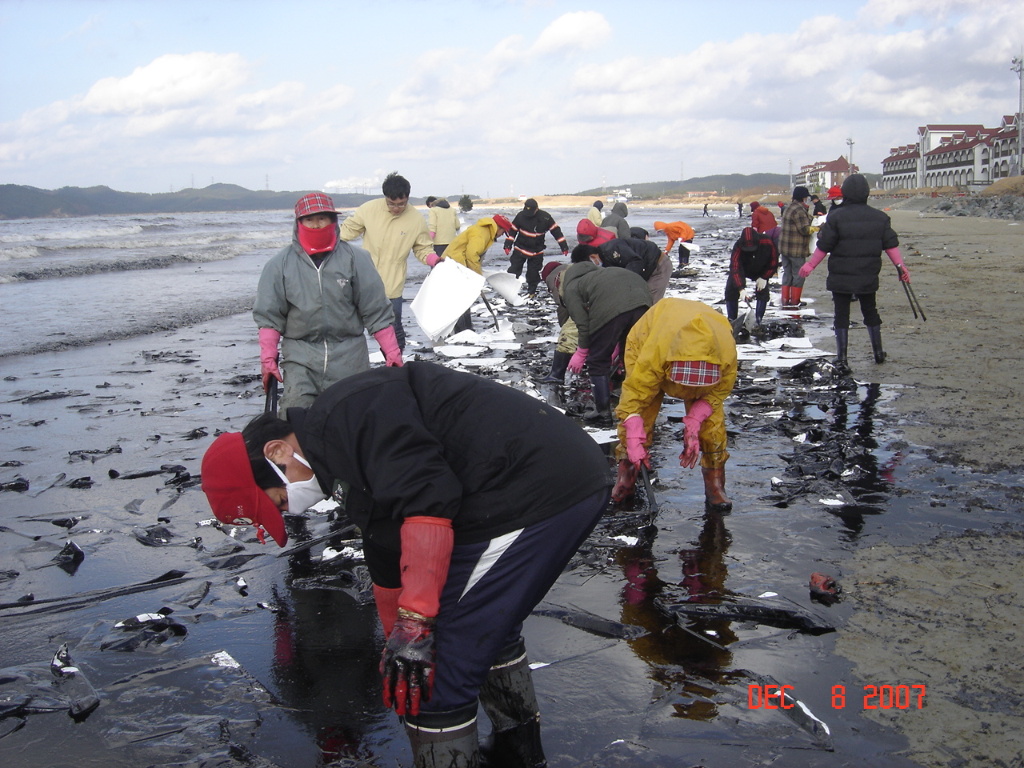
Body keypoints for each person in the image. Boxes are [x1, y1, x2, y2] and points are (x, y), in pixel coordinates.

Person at [199, 362, 611, 767]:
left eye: (279, 501)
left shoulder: (353, 415)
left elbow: (426, 500)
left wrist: (416, 624)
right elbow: (385, 540)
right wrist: (396, 631)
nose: (289, 510)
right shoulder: (334, 448)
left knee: (436, 669)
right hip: (529, 483)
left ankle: (484, 748)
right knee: (478, 628)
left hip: (537, 487)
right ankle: (516, 751)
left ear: (277, 452)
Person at [254, 192, 401, 412]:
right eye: (309, 219)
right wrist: (268, 359)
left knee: (352, 418)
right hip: (300, 355)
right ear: (299, 223)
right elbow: (270, 316)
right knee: (295, 413)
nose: (316, 225)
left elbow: (376, 310)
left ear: (333, 221)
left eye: (322, 218)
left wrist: (392, 353)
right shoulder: (279, 265)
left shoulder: (356, 259)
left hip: (349, 354)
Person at [610, 298, 737, 512]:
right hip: (646, 340)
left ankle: (715, 485)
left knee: (712, 423)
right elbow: (635, 395)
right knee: (644, 410)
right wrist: (632, 433)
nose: (687, 391)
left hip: (699, 346)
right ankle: (627, 474)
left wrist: (696, 420)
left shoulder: (726, 353)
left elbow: (720, 390)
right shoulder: (655, 353)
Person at [799, 173, 911, 369]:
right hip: (867, 274)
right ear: (867, 193)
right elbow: (890, 245)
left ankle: (842, 357)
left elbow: (825, 246)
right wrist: (901, 267)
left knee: (841, 314)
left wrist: (810, 266)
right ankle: (878, 353)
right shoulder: (880, 218)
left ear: (846, 193)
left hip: (841, 275)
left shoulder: (836, 217)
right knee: (870, 311)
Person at [340, 172, 437, 350]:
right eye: (391, 203)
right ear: (385, 197)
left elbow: (422, 248)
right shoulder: (368, 210)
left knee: (394, 329)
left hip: (393, 284)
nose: (396, 208)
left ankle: (396, 367)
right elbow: (345, 233)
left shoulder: (415, 219)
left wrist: (434, 260)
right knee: (353, 327)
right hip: (364, 281)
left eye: (401, 204)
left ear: (407, 198)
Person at [562, 246, 653, 422]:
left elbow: (583, 323)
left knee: (597, 360)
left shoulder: (571, 286)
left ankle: (602, 412)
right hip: (643, 300)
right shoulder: (602, 274)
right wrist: (616, 344)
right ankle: (637, 407)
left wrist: (582, 351)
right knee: (632, 355)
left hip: (615, 307)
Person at [441, 214, 513, 333]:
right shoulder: (481, 233)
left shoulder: (486, 232)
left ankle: (465, 328)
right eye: (502, 232)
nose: (501, 236)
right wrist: (477, 276)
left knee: (463, 299)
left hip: (458, 265)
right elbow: (471, 255)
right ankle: (462, 330)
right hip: (454, 265)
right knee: (461, 299)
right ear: (498, 228)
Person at [504, 198, 569, 297]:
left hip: (537, 251)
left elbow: (556, 231)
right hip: (520, 249)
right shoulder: (520, 216)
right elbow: (513, 231)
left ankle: (532, 292)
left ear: (536, 209)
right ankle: (508, 289)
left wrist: (563, 246)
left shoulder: (546, 218)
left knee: (533, 273)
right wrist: (508, 244)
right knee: (514, 270)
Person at [725, 226, 778, 325]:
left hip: (761, 269)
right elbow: (735, 268)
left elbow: (773, 262)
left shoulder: (767, 242)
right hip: (744, 268)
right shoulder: (738, 246)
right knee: (731, 289)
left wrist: (764, 277)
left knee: (763, 291)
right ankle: (732, 320)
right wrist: (741, 289)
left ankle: (758, 319)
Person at [537, 260, 576, 384]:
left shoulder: (554, 277)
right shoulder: (573, 268)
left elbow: (562, 304)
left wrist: (564, 327)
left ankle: (556, 375)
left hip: (586, 305)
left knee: (568, 335)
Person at [778, 185, 814, 309]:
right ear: (803, 197)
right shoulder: (799, 210)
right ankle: (794, 301)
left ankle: (785, 300)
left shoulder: (788, 208)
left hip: (784, 248)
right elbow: (805, 229)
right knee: (798, 275)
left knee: (787, 274)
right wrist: (818, 228)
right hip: (796, 249)